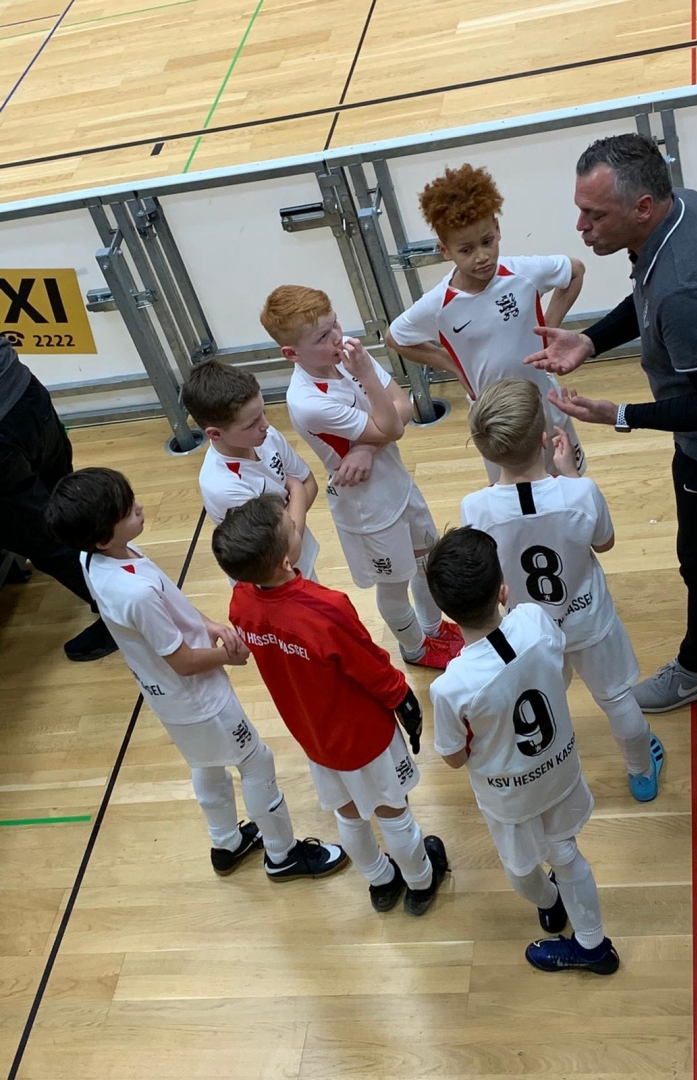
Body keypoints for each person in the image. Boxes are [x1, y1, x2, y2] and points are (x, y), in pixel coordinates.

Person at [525, 133, 697, 713]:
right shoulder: (689, 207)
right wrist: (590, 340)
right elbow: (649, 297)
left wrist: (620, 415)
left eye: (594, 214)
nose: (581, 227)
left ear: (642, 207)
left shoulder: (686, 288)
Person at [44, 467, 346, 881]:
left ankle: (227, 843)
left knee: (207, 765)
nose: (140, 507)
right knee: (256, 762)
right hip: (199, 699)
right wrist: (228, 656)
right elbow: (183, 660)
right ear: (101, 538)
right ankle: (283, 854)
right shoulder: (134, 594)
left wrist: (210, 625)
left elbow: (172, 608)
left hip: (167, 698)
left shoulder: (96, 557)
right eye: (128, 511)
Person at [213, 493, 449, 915]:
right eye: (291, 525)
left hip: (314, 738)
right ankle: (421, 880)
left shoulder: (240, 603)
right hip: (366, 735)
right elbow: (371, 666)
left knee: (350, 814)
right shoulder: (325, 609)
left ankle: (380, 881)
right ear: (287, 560)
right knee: (393, 812)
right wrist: (403, 698)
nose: (296, 523)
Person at [427, 527, 619, 974]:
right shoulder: (534, 620)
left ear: (444, 610)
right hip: (560, 769)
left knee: (520, 869)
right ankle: (589, 940)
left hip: (509, 796)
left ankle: (554, 907)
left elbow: (453, 758)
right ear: (503, 590)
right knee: (565, 852)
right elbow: (558, 665)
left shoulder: (451, 687)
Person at [463, 379, 663, 800]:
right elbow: (604, 543)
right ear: (544, 440)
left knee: (547, 699)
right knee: (617, 698)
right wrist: (570, 476)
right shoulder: (580, 492)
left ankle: (552, 771)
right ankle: (641, 771)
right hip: (588, 618)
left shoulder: (475, 507)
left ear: (488, 452)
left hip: (529, 630)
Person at [260, 284, 462, 670]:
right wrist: (369, 379)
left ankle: (433, 629)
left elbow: (403, 406)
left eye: (335, 324)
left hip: (397, 482)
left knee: (427, 559)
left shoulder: (348, 356)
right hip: (367, 508)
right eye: (322, 337)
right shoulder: (309, 401)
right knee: (395, 582)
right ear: (291, 354)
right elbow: (393, 426)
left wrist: (367, 447)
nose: (337, 338)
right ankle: (415, 649)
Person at [384, 163, 587, 480]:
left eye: (487, 241)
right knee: (511, 493)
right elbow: (394, 337)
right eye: (466, 249)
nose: (481, 256)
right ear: (445, 250)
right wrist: (451, 364)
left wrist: (547, 334)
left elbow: (575, 271)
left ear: (497, 228)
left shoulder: (523, 273)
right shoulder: (438, 305)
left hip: (545, 404)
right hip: (494, 421)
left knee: (568, 482)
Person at [0, 336, 116, 661]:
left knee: (46, 536)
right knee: (66, 502)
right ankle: (127, 573)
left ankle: (122, 618)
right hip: (24, 390)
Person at [181, 358, 320, 579]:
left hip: (301, 562)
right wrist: (296, 491)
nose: (265, 424)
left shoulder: (266, 435)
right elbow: (282, 552)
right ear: (215, 433)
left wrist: (295, 511)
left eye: (264, 412)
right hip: (270, 583)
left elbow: (309, 482)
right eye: (252, 424)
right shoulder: (223, 487)